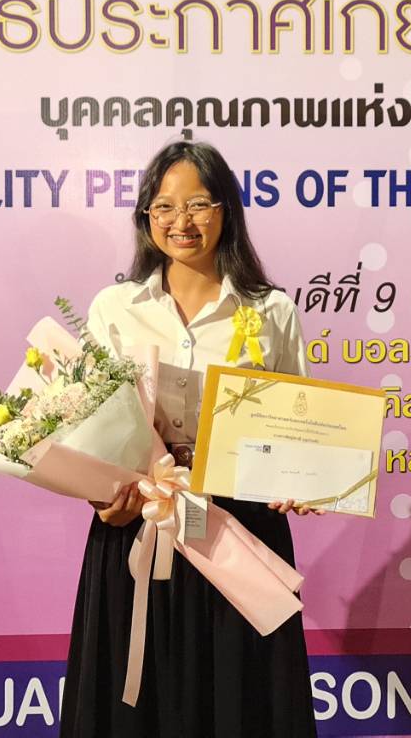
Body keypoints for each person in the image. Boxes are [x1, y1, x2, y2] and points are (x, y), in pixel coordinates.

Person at [61, 140, 319, 738]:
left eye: (199, 204)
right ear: (146, 217)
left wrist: (299, 477)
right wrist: (102, 498)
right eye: (164, 206)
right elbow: (88, 428)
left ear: (226, 209)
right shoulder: (115, 307)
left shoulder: (271, 310)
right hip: (137, 525)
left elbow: (296, 423)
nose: (182, 221)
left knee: (241, 704)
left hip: (238, 531)